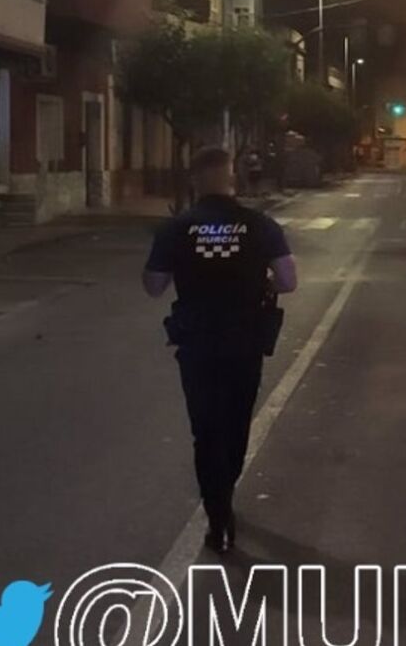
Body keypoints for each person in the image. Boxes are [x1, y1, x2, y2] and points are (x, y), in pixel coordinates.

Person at [142, 146, 297, 554]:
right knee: (235, 425)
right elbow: (287, 281)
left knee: (205, 430)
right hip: (245, 341)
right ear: (232, 178)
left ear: (195, 180)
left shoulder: (176, 228)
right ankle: (224, 495)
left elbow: (154, 286)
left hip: (197, 344)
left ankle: (217, 515)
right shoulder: (260, 225)